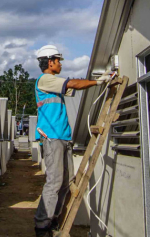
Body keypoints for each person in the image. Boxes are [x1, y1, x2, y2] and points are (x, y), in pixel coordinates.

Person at [33, 45, 114, 237]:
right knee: (54, 182)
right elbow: (73, 84)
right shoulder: (45, 79)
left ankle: (53, 220)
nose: (60, 64)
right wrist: (98, 82)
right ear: (50, 61)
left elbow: (73, 88)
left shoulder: (52, 83)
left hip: (63, 137)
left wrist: (92, 82)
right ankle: (42, 227)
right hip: (51, 138)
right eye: (58, 60)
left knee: (65, 182)